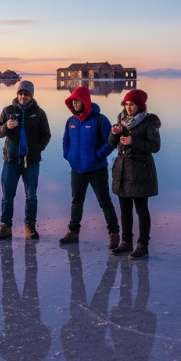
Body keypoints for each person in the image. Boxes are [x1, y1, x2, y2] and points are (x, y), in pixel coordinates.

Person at [59, 86, 120, 250]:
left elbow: (111, 142)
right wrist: (68, 155)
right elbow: (66, 140)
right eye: (73, 101)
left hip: (96, 169)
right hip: (77, 169)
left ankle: (114, 233)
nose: (74, 103)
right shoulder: (71, 121)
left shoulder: (100, 120)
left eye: (77, 101)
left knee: (105, 202)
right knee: (76, 202)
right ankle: (73, 232)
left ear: (85, 101)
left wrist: (97, 156)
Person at [0, 80, 51, 241]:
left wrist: (37, 149)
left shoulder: (39, 113)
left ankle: (30, 226)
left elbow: (46, 135)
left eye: (26, 94)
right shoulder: (8, 110)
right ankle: (5, 227)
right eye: (21, 93)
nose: (23, 96)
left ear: (31, 96)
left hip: (31, 162)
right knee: (7, 196)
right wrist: (6, 127)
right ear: (17, 94)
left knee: (31, 196)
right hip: (11, 161)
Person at [108, 89, 160, 260]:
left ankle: (143, 245)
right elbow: (112, 144)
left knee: (141, 209)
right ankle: (126, 242)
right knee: (125, 209)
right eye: (126, 104)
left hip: (140, 171)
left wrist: (133, 141)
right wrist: (114, 134)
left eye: (132, 104)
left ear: (140, 105)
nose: (128, 107)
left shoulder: (149, 122)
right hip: (122, 171)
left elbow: (155, 146)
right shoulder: (121, 119)